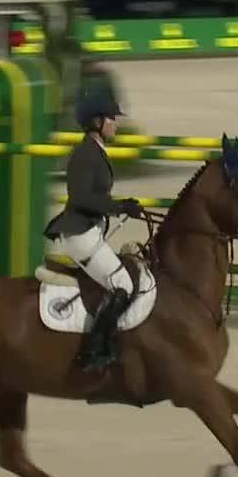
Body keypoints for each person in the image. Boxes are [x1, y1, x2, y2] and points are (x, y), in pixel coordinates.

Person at [43, 90, 145, 372]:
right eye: (112, 119)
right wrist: (119, 206)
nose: (116, 124)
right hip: (80, 234)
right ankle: (95, 351)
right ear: (97, 122)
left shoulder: (95, 151)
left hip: (90, 231)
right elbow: (81, 198)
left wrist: (121, 207)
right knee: (123, 285)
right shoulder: (85, 154)